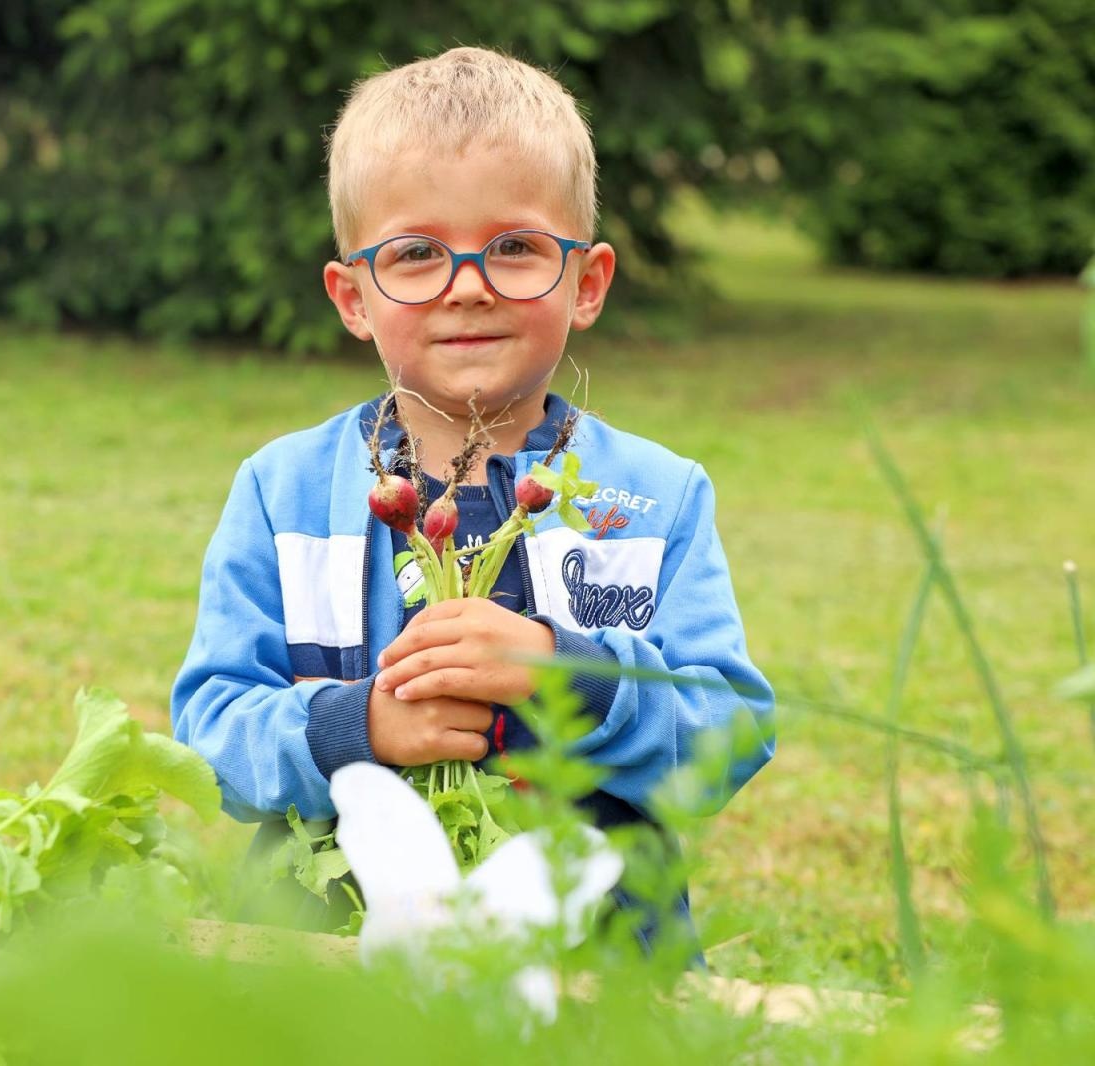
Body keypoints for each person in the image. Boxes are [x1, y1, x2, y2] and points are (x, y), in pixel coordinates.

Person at [170, 47, 774, 927]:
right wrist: (355, 730)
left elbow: (731, 734)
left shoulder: (658, 496)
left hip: (599, 967)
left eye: (516, 248)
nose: (467, 287)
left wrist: (569, 679)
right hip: (324, 970)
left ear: (588, 281)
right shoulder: (283, 492)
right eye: (415, 253)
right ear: (352, 297)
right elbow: (210, 732)